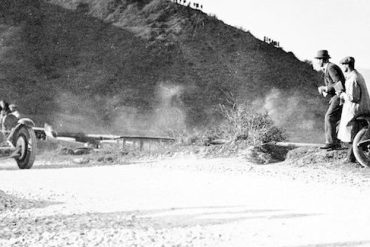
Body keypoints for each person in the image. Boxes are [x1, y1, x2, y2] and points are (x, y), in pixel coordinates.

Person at [337, 57, 370, 162]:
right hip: (363, 107)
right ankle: (352, 157)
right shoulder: (357, 75)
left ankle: (351, 158)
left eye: (343, 65)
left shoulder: (353, 79)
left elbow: (353, 98)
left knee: (350, 131)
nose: (342, 68)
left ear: (347, 65)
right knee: (352, 133)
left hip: (356, 109)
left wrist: (342, 94)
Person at [316, 50, 346, 150]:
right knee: (334, 119)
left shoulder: (331, 67)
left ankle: (331, 142)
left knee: (329, 117)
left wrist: (325, 88)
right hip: (336, 97)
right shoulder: (328, 68)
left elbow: (339, 84)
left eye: (318, 59)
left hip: (339, 97)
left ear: (322, 60)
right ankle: (335, 142)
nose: (317, 62)